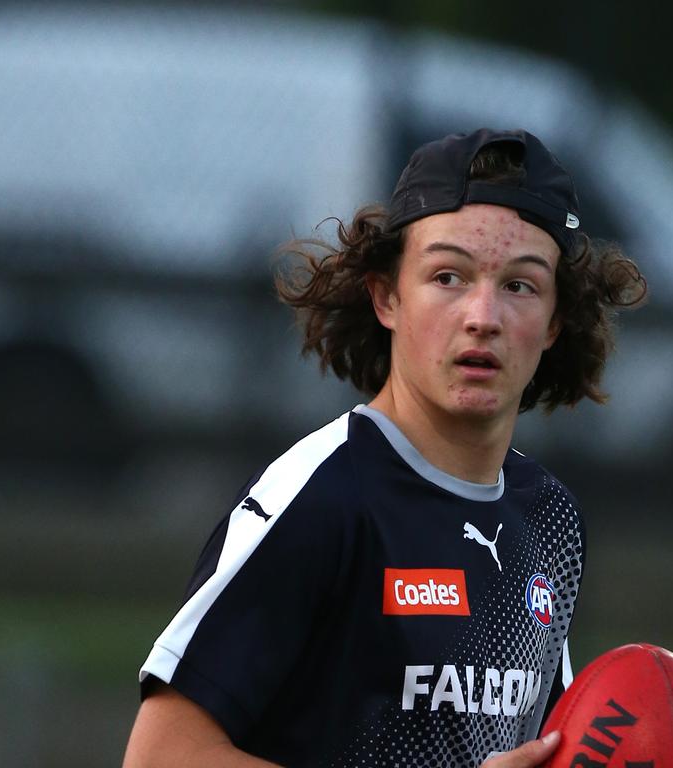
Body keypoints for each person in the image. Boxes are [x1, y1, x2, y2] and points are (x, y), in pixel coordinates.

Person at [122, 128, 646, 768]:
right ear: (386, 296)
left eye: (520, 285)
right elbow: (159, 757)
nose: (483, 315)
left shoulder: (551, 521)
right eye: (448, 276)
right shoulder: (323, 497)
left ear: (556, 320)